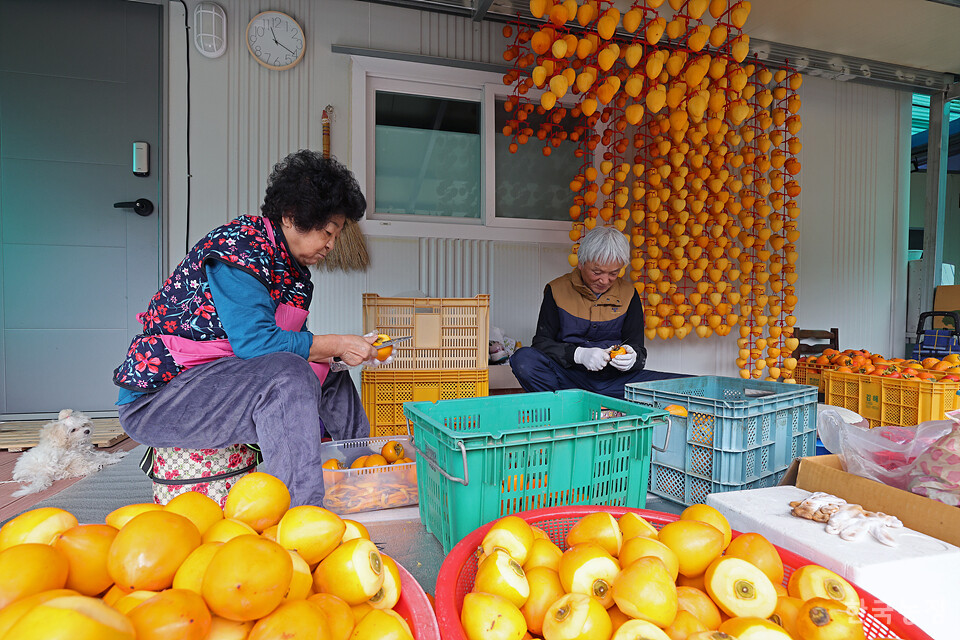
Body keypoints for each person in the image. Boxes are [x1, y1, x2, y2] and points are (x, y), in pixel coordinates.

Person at [113, 150, 380, 506]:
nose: (331, 245)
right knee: (290, 376)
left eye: (337, 235)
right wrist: (337, 342)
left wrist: (338, 352)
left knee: (330, 371)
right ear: (291, 217)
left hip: (217, 381)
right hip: (161, 400)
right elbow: (257, 344)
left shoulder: (291, 271)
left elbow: (290, 349)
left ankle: (361, 473)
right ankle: (302, 515)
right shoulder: (240, 247)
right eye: (327, 232)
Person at [510, 226, 685, 399]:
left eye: (613, 273)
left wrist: (633, 358)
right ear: (581, 262)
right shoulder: (557, 290)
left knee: (685, 386)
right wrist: (578, 355)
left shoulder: (629, 294)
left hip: (616, 381)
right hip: (568, 380)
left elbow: (638, 348)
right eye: (597, 272)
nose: (604, 280)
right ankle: (563, 407)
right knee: (524, 360)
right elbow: (541, 344)